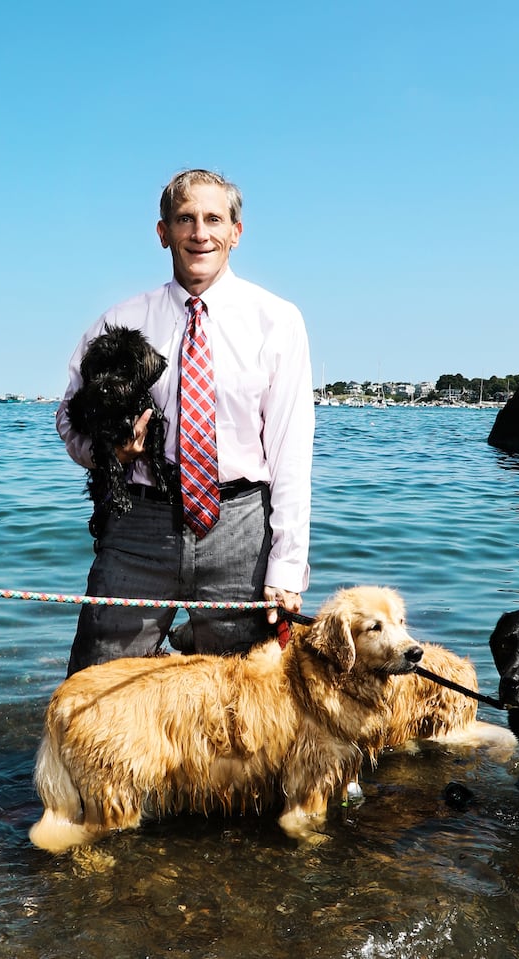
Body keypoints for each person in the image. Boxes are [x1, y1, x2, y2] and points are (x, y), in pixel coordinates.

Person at [55, 168, 315, 676]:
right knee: (96, 694)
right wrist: (110, 451)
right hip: (136, 528)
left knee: (244, 707)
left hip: (241, 529)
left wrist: (287, 565)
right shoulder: (117, 323)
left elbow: (290, 451)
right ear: (163, 233)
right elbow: (68, 418)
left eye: (214, 219)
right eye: (185, 219)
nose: (200, 233)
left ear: (236, 232)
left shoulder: (278, 321)